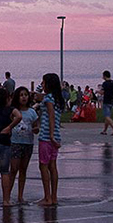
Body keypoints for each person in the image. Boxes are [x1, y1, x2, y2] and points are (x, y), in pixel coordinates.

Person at [37, 73, 65, 206]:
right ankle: (54, 197)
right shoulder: (57, 99)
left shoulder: (48, 99)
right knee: (53, 166)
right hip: (55, 136)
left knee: (43, 166)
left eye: (43, 82)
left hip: (47, 137)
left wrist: (51, 135)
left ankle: (47, 197)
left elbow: (51, 116)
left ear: (49, 84)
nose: (42, 85)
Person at [8, 86, 38, 203]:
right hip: (15, 143)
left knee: (23, 169)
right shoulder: (14, 111)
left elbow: (35, 125)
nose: (24, 97)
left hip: (28, 143)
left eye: (25, 95)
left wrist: (36, 129)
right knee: (13, 169)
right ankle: (8, 195)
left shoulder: (32, 112)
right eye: (21, 95)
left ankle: (20, 196)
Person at [99, 70, 113, 136]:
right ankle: (104, 130)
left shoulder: (104, 84)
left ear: (105, 76)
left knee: (107, 116)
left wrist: (98, 91)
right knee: (107, 116)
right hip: (111, 100)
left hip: (106, 100)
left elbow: (102, 92)